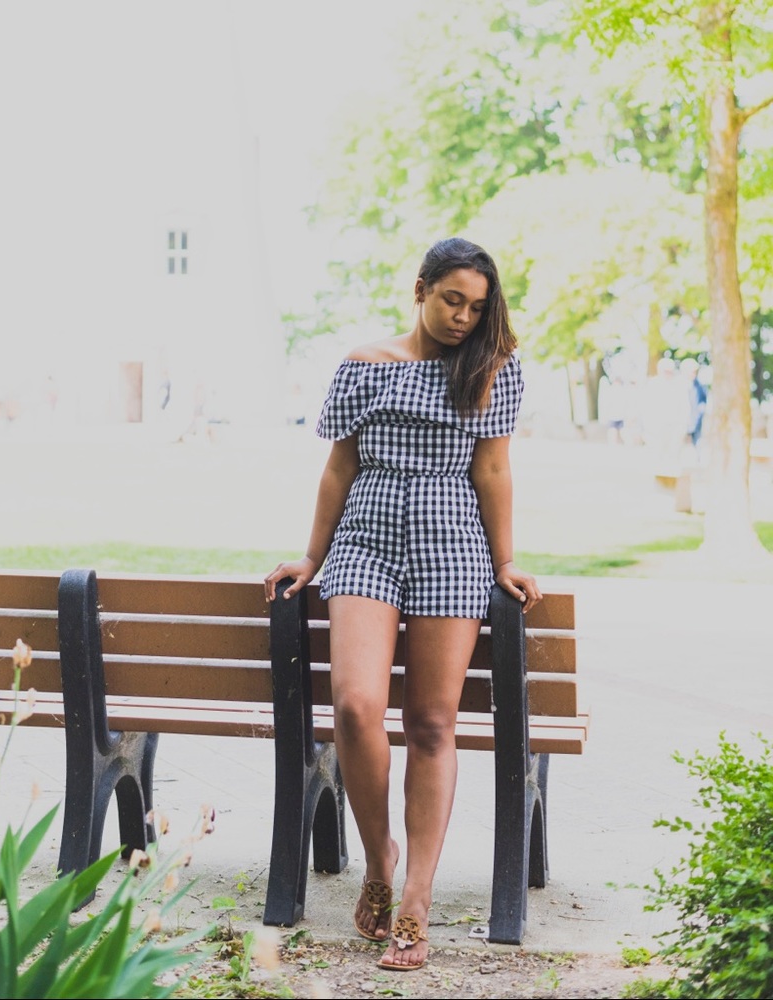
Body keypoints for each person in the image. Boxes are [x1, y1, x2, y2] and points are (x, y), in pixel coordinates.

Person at [264, 236, 542, 973]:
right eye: (452, 300)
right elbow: (339, 467)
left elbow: (493, 469)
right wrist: (313, 556)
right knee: (356, 706)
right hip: (367, 539)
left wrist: (505, 562)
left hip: (452, 542)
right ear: (420, 289)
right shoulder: (364, 365)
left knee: (430, 722)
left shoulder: (493, 368)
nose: (463, 317)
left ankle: (416, 896)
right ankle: (379, 859)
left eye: (476, 306)